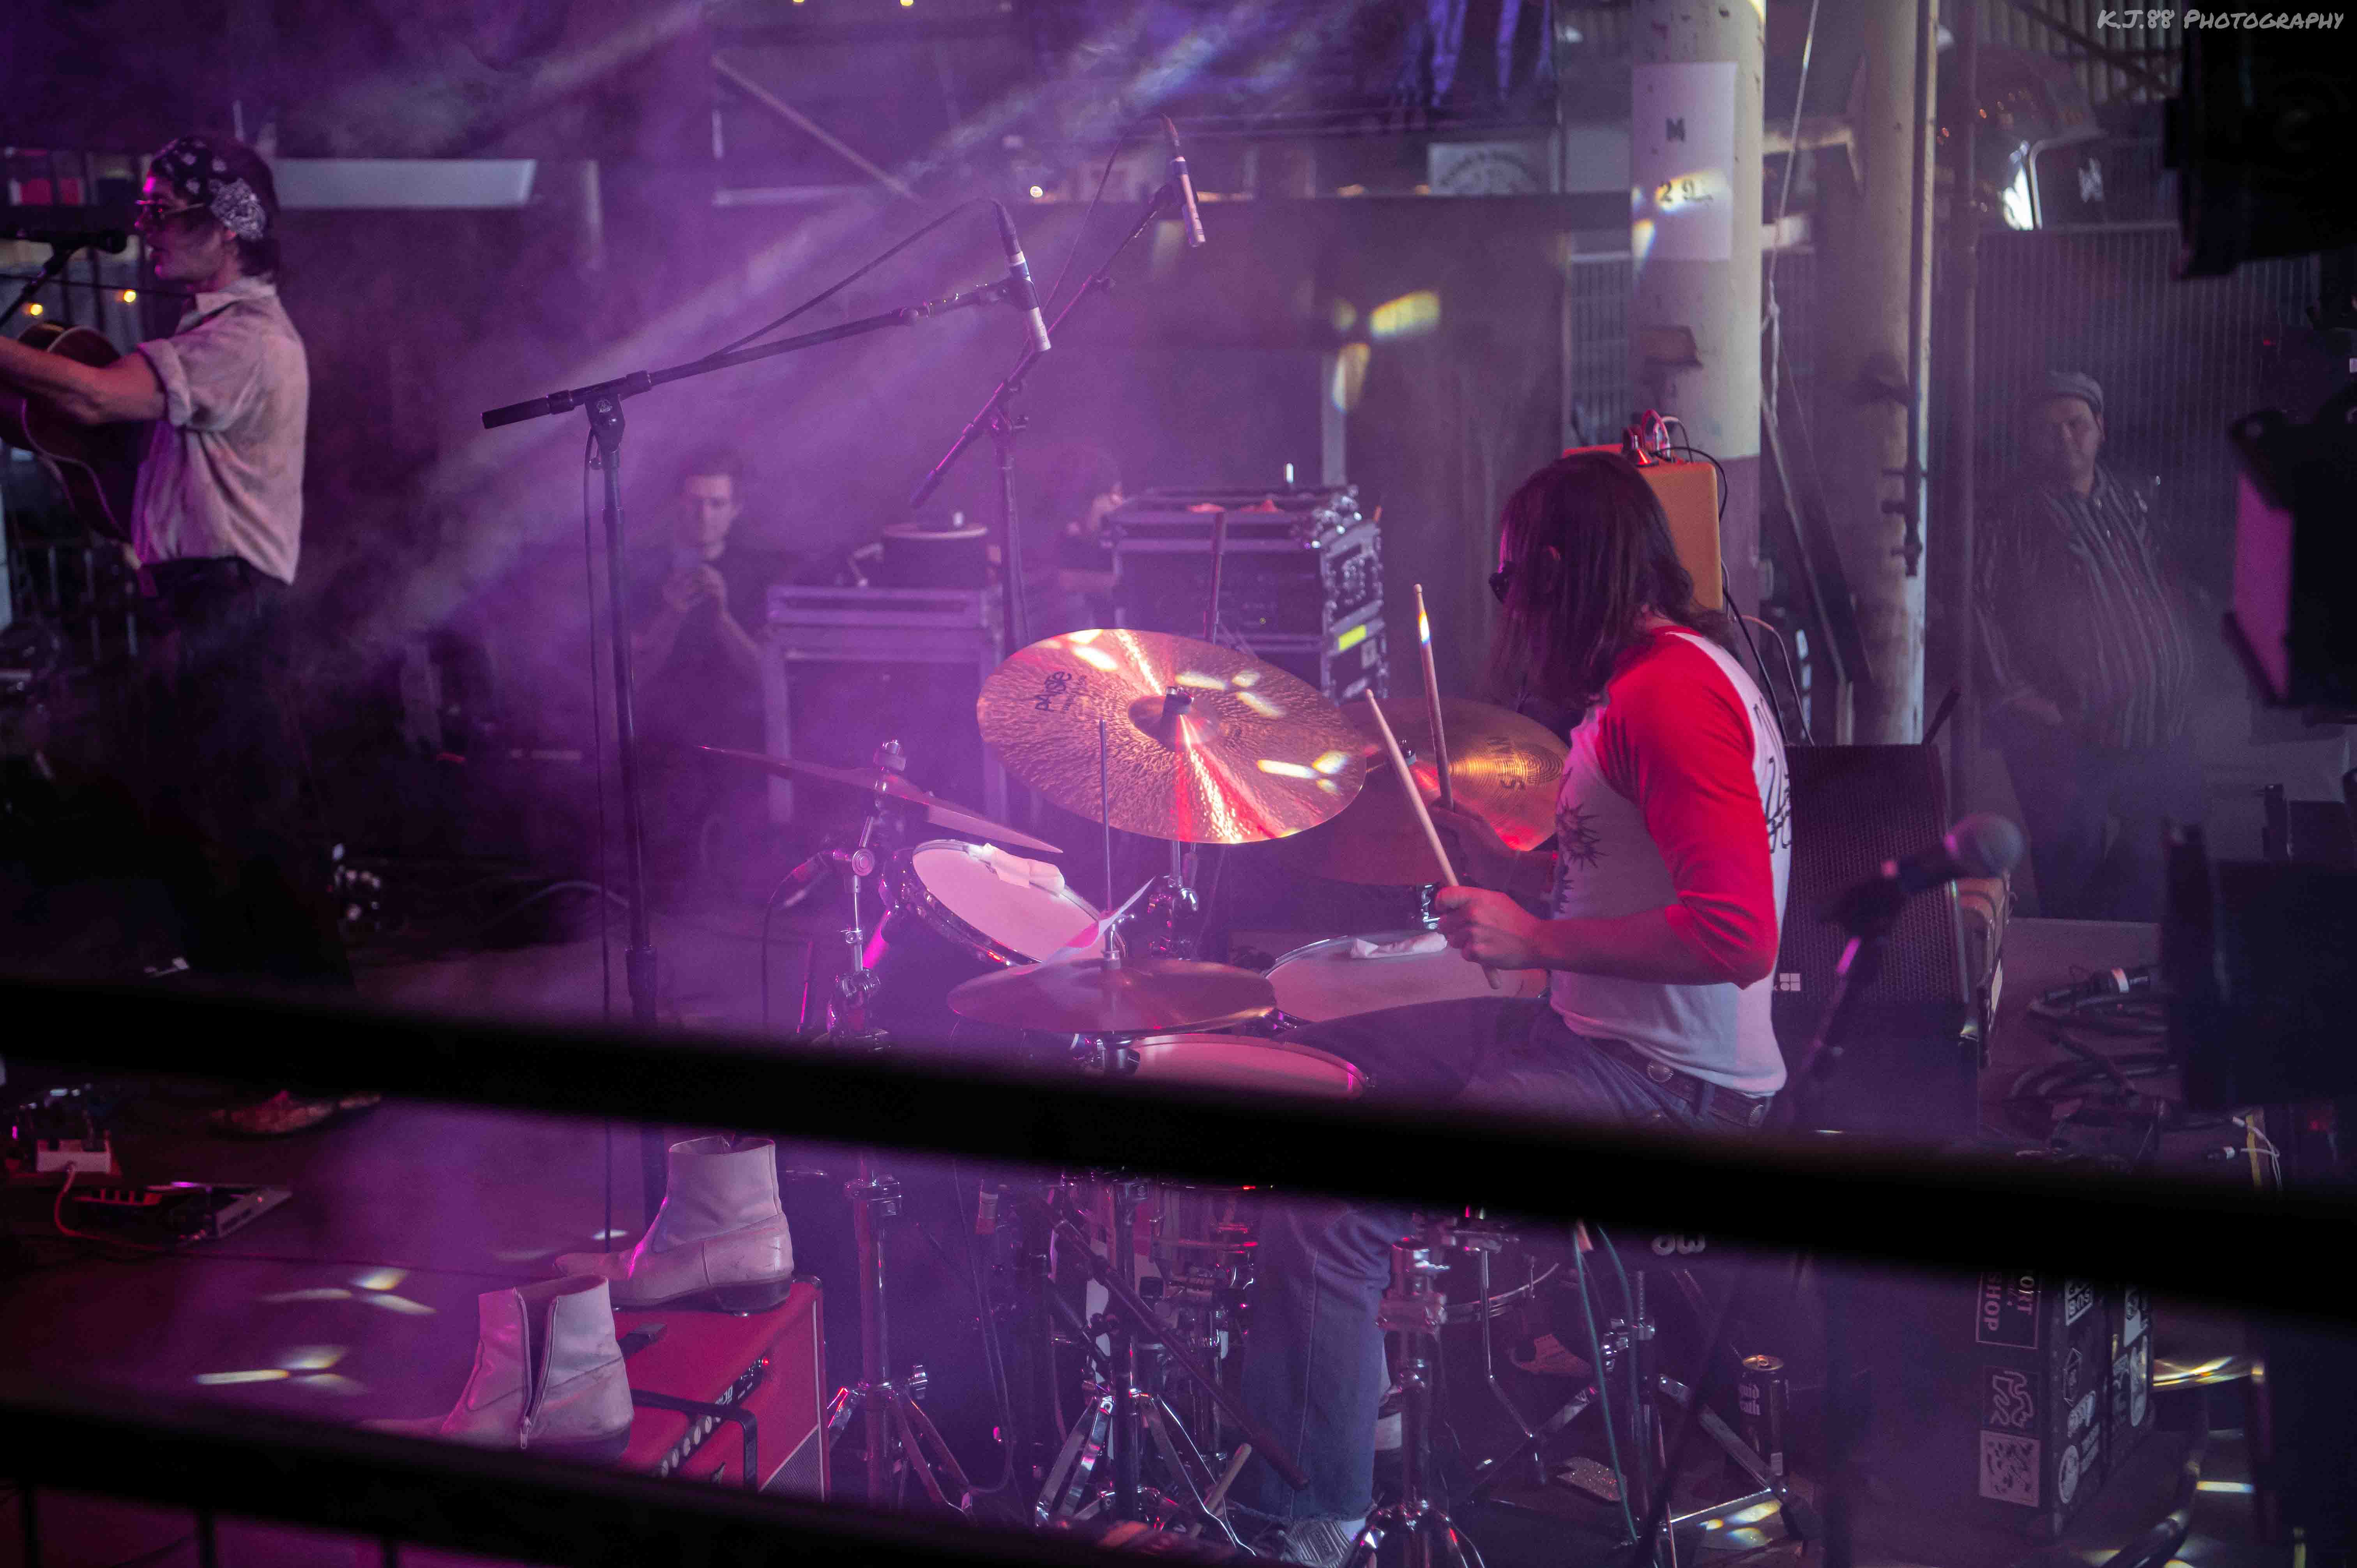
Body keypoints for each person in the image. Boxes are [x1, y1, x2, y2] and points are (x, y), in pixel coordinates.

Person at [1234, 451, 1791, 1566]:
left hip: (1664, 1094)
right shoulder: (1663, 676)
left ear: (1555, 568)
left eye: (1508, 585)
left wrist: (1536, 940)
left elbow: (1738, 935)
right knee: (1341, 1042)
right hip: (1611, 1048)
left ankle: (1312, 1527)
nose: (1512, 614)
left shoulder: (1670, 698)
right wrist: (1527, 877)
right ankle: (1356, 1398)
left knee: (1327, 1209)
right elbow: (1639, 884)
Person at [0, 134, 361, 1134]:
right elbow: (83, 412)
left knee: (260, 834)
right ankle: (276, 1058)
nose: (148, 227)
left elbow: (97, 393)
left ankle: (330, 1067)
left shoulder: (244, 342)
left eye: (168, 211)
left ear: (228, 229)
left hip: (229, 603)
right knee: (216, 831)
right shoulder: (211, 336)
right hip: (197, 604)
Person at [1977, 371, 2201, 920]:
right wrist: (2024, 701)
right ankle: (2071, 988)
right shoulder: (2011, 514)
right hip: (2066, 736)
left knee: (2159, 867)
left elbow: (2164, 583)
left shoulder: (2128, 500)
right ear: (2028, 439)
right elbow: (1978, 609)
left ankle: (2124, 983)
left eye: (2077, 424)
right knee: (2070, 877)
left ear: (2100, 428)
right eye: (2048, 429)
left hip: (2158, 726)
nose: (2065, 438)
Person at [628, 447, 792, 897]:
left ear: (735, 508)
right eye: (695, 502)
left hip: (739, 740)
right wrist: (672, 615)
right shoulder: (644, 572)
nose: (704, 515)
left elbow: (769, 679)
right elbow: (632, 675)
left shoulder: (762, 575)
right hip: (662, 739)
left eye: (717, 503)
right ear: (678, 503)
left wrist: (721, 617)